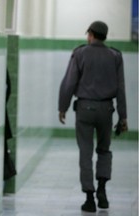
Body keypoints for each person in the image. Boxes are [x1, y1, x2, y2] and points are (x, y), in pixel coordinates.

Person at [58, 21, 128, 213]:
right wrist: (123, 117)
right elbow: (121, 88)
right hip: (106, 110)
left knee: (86, 152)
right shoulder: (115, 56)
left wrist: (62, 107)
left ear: (90, 35)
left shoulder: (80, 53)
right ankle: (102, 193)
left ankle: (89, 198)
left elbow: (69, 82)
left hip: (85, 109)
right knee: (104, 150)